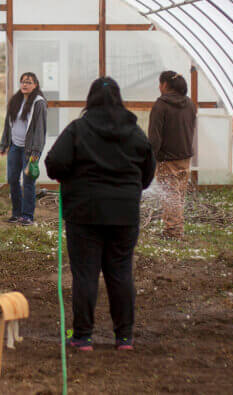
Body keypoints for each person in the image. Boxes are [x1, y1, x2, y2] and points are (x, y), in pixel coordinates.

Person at [45, 77, 155, 351]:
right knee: (120, 272)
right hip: (124, 214)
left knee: (85, 274)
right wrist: (130, 189)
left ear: (90, 99)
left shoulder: (78, 129)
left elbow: (54, 163)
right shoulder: (135, 132)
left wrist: (67, 175)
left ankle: (82, 337)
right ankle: (124, 337)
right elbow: (148, 172)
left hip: (85, 212)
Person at [148, 70, 196, 239]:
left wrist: (150, 158)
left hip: (167, 158)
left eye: (160, 83)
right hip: (185, 157)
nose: (159, 86)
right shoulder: (189, 104)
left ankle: (173, 231)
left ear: (166, 85)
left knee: (171, 195)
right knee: (179, 194)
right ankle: (176, 228)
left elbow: (155, 136)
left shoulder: (161, 105)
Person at [0, 72, 46, 225]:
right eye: (23, 81)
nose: (25, 84)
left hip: (29, 150)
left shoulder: (38, 103)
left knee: (28, 181)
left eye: (29, 82)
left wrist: (36, 152)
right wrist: (4, 144)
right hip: (14, 147)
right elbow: (8, 124)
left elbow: (40, 129)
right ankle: (16, 213)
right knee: (12, 179)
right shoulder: (15, 101)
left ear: (35, 85)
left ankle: (27, 215)